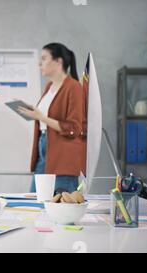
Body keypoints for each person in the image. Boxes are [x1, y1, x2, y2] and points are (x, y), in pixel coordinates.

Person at [18, 43, 87, 193]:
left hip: (63, 156)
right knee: (36, 201)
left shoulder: (74, 87)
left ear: (59, 61)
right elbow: (47, 118)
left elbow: (75, 128)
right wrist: (35, 114)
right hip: (44, 148)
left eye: (44, 58)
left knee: (62, 205)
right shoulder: (49, 87)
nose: (39, 63)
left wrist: (41, 117)